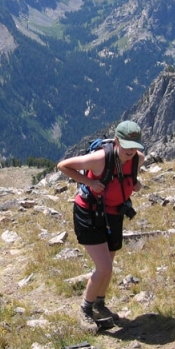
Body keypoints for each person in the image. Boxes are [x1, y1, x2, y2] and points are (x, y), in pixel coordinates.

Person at [56, 120, 145, 330]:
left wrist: (136, 182)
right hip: (90, 213)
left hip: (114, 214)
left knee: (109, 266)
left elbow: (128, 177)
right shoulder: (100, 159)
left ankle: (100, 304)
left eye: (135, 146)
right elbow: (63, 166)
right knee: (104, 267)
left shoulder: (137, 159)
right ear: (116, 141)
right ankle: (85, 310)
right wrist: (89, 182)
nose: (131, 151)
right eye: (126, 145)